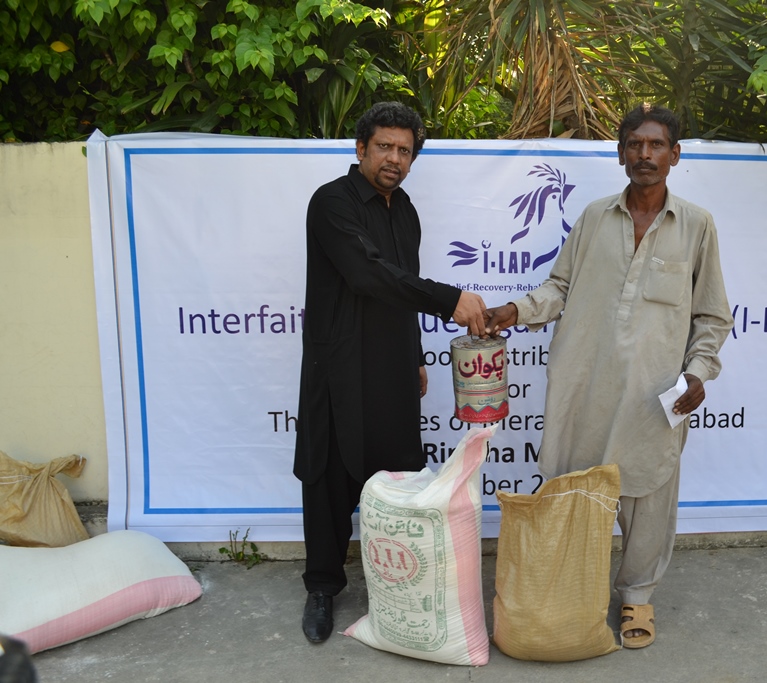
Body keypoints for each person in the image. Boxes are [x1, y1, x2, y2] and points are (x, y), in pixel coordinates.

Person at [484, 104, 733, 650]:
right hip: (585, 385)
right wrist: (516, 310)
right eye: (635, 144)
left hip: (654, 395)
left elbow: (712, 316)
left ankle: (637, 597)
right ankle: (574, 589)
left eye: (656, 144)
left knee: (648, 500)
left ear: (674, 154)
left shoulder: (697, 225)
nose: (645, 154)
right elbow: (559, 288)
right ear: (621, 154)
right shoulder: (595, 217)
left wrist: (697, 372)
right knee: (574, 491)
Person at [293, 101, 488, 644]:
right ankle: (322, 588)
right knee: (329, 481)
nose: (394, 159)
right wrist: (449, 300)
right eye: (384, 146)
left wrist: (417, 354)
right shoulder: (331, 202)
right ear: (361, 149)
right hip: (338, 366)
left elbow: (402, 289)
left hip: (392, 366)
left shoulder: (405, 211)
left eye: (404, 151)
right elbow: (367, 274)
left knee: (400, 480)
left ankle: (400, 585)